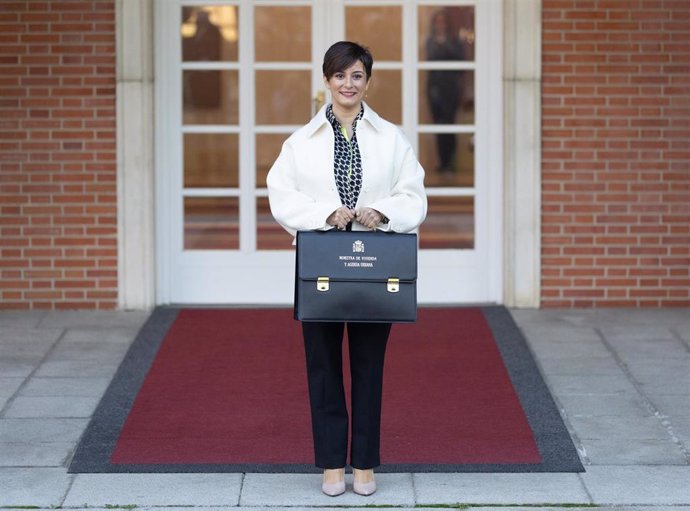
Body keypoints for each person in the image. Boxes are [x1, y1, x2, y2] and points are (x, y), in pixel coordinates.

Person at [266, 41, 426, 497]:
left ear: (368, 81)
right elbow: (282, 194)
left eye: (357, 76)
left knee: (369, 367)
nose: (348, 84)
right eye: (340, 76)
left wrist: (382, 211)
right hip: (321, 267)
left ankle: (365, 464)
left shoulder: (392, 138)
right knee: (323, 366)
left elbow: (413, 195)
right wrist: (324, 214)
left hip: (375, 267)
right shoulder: (301, 142)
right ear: (327, 81)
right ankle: (333, 464)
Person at [425, 10, 465, 176]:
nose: (440, 25)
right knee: (438, 126)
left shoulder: (454, 41)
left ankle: (450, 162)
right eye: (437, 22)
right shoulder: (430, 41)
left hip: (450, 89)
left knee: (449, 124)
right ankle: (442, 161)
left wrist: (445, 44)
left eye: (443, 22)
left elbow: (459, 59)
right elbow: (432, 58)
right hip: (435, 89)